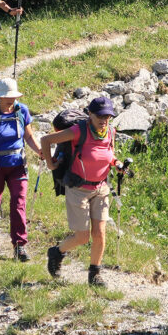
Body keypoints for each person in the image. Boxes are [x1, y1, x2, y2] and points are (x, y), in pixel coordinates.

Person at [41, 96, 126, 285]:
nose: (104, 120)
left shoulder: (110, 131)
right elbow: (46, 140)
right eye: (100, 116)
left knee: (100, 233)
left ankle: (95, 274)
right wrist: (50, 164)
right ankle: (57, 252)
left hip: (101, 188)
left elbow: (108, 154)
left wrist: (117, 163)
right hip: (78, 189)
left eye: (108, 117)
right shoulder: (78, 131)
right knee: (82, 237)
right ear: (90, 115)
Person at [0, 78, 43, 261]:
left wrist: (40, 151)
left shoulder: (22, 111)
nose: (11, 101)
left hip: (18, 164)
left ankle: (20, 245)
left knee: (18, 203)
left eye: (13, 98)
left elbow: (29, 136)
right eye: (7, 98)